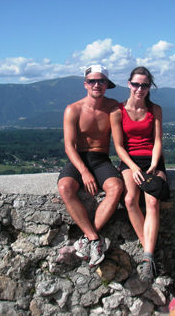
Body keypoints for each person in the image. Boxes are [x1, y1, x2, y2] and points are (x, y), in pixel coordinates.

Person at [58, 65, 123, 267]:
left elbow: (120, 142)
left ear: (107, 85)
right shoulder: (73, 109)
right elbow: (69, 146)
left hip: (101, 159)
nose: (97, 85)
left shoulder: (113, 108)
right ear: (85, 84)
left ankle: (88, 237)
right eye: (93, 81)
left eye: (101, 81)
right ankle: (95, 239)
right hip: (78, 158)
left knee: (116, 187)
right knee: (65, 188)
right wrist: (84, 172)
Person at [110, 66, 167, 282]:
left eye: (144, 85)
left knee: (152, 202)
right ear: (129, 84)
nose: (140, 89)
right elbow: (118, 146)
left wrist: (154, 164)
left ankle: (148, 256)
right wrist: (133, 168)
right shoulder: (117, 111)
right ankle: (148, 252)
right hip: (129, 161)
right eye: (136, 84)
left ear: (149, 87)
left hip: (152, 160)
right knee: (130, 199)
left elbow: (158, 140)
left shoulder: (155, 109)